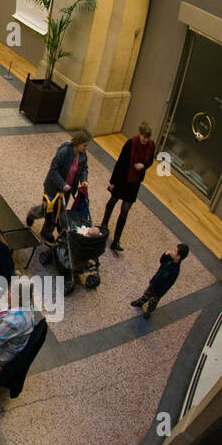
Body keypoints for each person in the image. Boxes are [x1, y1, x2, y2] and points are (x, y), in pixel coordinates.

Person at [27, 130, 90, 242]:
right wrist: (63, 184)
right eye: (84, 145)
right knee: (48, 209)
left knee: (59, 211)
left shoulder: (82, 155)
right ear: (78, 143)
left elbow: (84, 169)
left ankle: (47, 232)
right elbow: (53, 170)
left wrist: (84, 180)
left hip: (67, 190)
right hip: (53, 187)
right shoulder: (64, 152)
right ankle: (33, 214)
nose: (86, 148)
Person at [103, 121, 156, 253]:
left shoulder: (151, 145)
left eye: (147, 138)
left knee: (125, 209)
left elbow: (150, 161)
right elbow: (120, 163)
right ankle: (104, 224)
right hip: (122, 179)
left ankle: (116, 239)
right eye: (143, 137)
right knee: (113, 200)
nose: (145, 140)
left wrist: (143, 166)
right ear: (140, 134)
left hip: (135, 181)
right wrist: (112, 181)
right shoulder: (130, 143)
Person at [132, 244, 190, 317]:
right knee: (147, 292)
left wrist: (160, 293)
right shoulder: (169, 258)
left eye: (175, 251)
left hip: (160, 290)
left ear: (178, 257)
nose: (172, 251)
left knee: (153, 301)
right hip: (155, 281)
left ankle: (149, 311)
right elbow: (161, 261)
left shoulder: (175, 271)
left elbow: (169, 284)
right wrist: (165, 255)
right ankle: (141, 301)